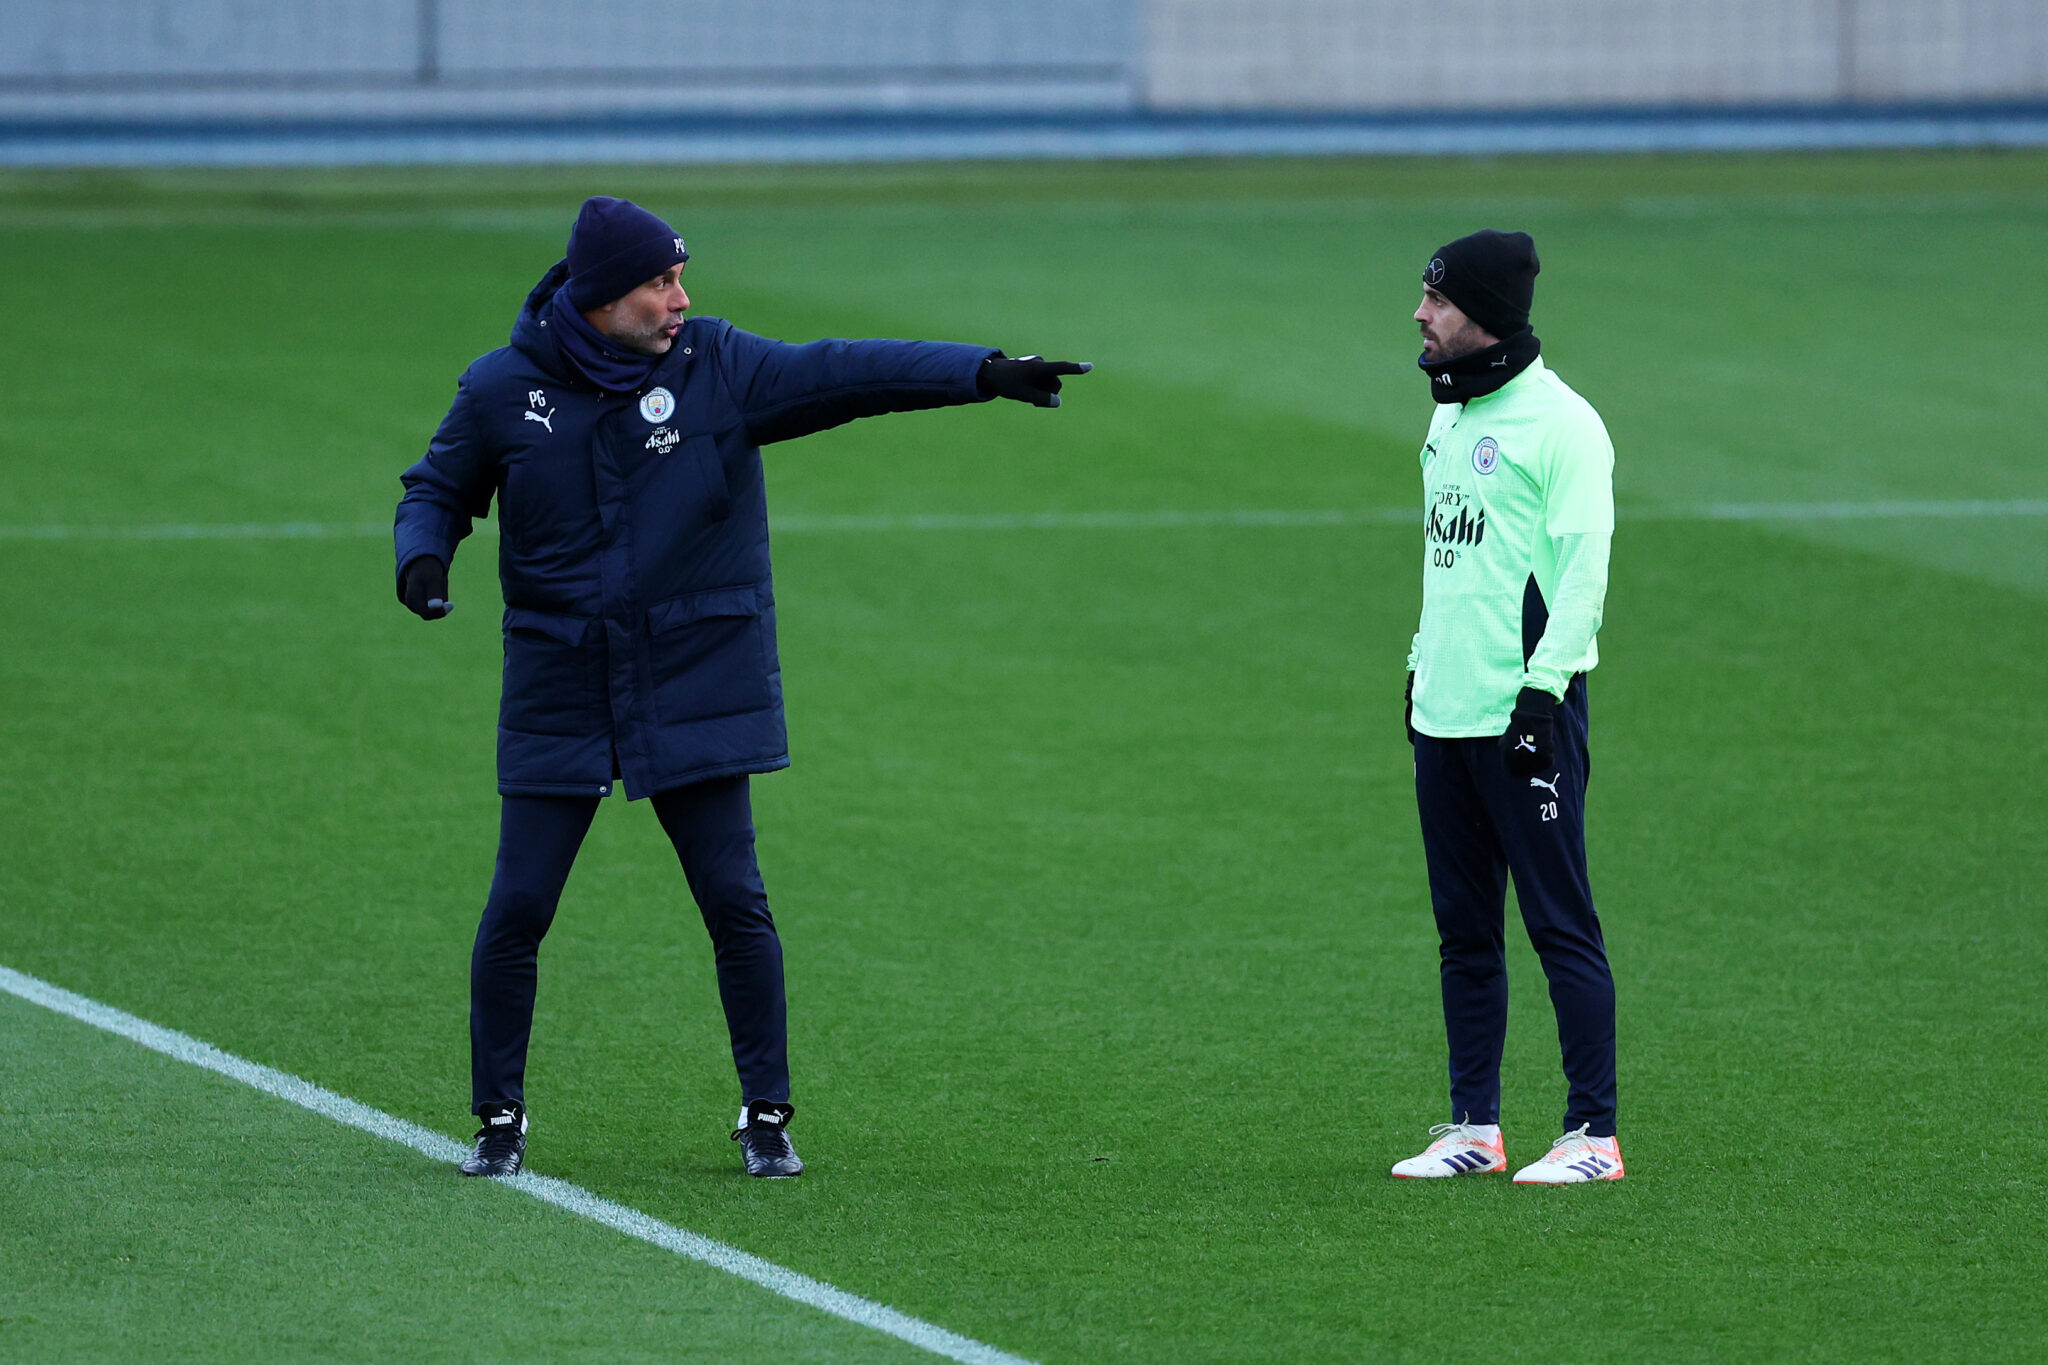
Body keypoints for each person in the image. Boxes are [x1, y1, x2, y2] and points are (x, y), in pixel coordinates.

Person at [393, 196, 1089, 1179]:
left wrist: (982, 372)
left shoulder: (716, 366)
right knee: (519, 907)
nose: (681, 298)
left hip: (693, 674)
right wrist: (423, 559)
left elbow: (845, 372)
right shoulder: (504, 389)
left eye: (680, 278)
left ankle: (766, 1113)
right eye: (659, 282)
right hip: (562, 681)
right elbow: (436, 487)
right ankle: (497, 1119)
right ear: (600, 298)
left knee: (733, 897)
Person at [1387, 230, 1623, 1185]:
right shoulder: (1450, 417)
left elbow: (1583, 579)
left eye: (1436, 299)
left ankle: (1592, 1136)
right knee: (1464, 932)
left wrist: (1542, 691)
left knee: (1560, 923)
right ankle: (1474, 1128)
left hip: (1524, 715)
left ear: (1480, 312)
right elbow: (1451, 567)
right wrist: (1415, 672)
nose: (1420, 313)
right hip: (1444, 714)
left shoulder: (1564, 425)